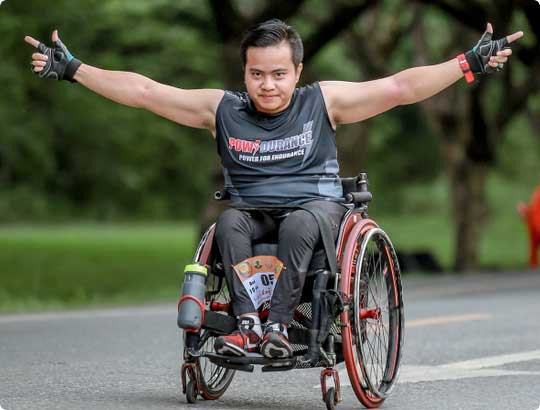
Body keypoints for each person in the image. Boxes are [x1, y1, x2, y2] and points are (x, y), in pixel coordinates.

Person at [25, 18, 523, 359]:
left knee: (301, 221)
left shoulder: (322, 102)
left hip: (317, 211)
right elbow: (146, 92)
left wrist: (467, 63)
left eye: (279, 74)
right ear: (244, 72)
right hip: (252, 212)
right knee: (228, 222)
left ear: (297, 72)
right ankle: (248, 327)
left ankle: (280, 326)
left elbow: (399, 87)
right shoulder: (222, 109)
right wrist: (73, 68)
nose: (268, 85)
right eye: (257, 74)